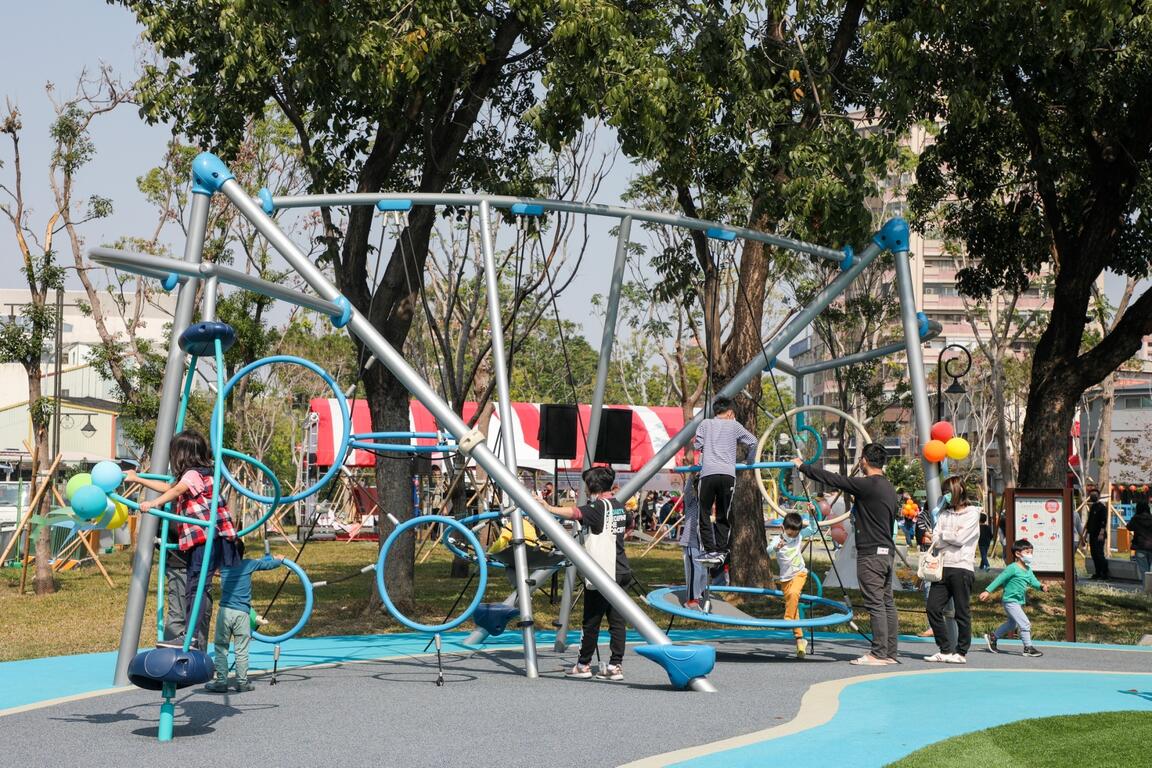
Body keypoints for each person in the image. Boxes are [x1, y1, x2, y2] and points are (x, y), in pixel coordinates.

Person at [126, 430, 239, 650]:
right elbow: (171, 487)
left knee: (196, 588)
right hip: (214, 538)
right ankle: (192, 635)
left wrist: (153, 503)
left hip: (206, 538)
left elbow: (176, 489)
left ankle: (192, 637)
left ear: (182, 454)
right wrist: (138, 479)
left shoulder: (192, 474)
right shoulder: (205, 473)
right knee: (196, 586)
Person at [793, 442, 899, 666]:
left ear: (864, 461)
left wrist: (803, 467)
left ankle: (878, 653)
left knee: (876, 603)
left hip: (871, 553)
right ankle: (889, 652)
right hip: (886, 552)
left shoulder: (868, 485)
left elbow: (834, 479)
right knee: (886, 602)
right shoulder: (889, 487)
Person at [536, 466, 631, 681]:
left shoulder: (597, 507)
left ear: (592, 486)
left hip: (602, 571)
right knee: (617, 621)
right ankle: (616, 665)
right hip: (621, 568)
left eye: (587, 485)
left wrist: (547, 507)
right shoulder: (619, 506)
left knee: (591, 621)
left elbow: (575, 513)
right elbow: (629, 525)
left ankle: (583, 664)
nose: (585, 489)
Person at [206, 542, 283, 692]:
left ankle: (221, 682)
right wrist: (279, 560)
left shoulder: (223, 566)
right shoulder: (248, 564)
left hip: (225, 612)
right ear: (242, 552)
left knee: (221, 647)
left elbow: (213, 569)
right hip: (242, 613)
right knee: (241, 649)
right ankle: (242, 682)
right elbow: (267, 565)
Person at [693, 396, 758, 566]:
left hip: (708, 474)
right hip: (727, 475)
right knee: (723, 513)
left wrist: (708, 447)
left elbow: (697, 445)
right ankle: (721, 551)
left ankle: (709, 550)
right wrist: (749, 462)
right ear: (730, 413)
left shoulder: (705, 424)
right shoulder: (734, 426)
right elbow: (753, 442)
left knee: (704, 513)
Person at [924, 477, 980, 664]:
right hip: (942, 567)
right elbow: (935, 540)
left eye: (949, 492)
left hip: (962, 567)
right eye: (944, 492)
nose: (946, 496)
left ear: (959, 490)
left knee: (961, 611)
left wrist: (944, 535)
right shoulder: (944, 514)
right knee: (932, 608)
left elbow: (960, 539)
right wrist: (948, 536)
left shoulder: (972, 513)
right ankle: (945, 649)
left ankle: (961, 652)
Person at [980, 538, 1048, 657]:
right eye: (1027, 552)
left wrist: (1041, 586)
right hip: (1010, 601)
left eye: (1031, 552)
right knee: (1025, 623)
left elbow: (1034, 582)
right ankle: (1028, 648)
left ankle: (993, 637)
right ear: (1017, 554)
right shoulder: (1013, 568)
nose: (1030, 555)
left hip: (1018, 601)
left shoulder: (1028, 570)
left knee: (1012, 624)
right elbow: (1000, 579)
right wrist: (987, 591)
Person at [768, 511, 816, 658]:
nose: (793, 536)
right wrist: (776, 548)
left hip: (799, 573)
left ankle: (787, 620)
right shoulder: (777, 540)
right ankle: (800, 640)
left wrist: (812, 515)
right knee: (794, 607)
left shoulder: (799, 536)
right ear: (783, 528)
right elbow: (768, 551)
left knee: (794, 594)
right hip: (785, 579)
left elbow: (813, 529)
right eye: (790, 534)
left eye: (795, 534)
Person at [676, 473, 710, 611]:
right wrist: (691, 476)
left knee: (703, 572)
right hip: (691, 541)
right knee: (694, 571)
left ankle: (698, 595)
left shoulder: (706, 502)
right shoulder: (691, 500)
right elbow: (687, 490)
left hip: (703, 542)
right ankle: (691, 600)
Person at [1085, 490, 1110, 579]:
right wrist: (1085, 534)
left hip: (1099, 534)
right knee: (1094, 554)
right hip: (1092, 534)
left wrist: (1101, 533)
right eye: (1091, 495)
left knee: (1099, 553)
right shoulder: (1092, 507)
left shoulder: (1102, 507)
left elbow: (1104, 521)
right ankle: (1097, 572)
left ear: (1098, 496)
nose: (1093, 497)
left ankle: (1104, 573)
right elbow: (1089, 522)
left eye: (1094, 495)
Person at [1125, 500, 1152, 582]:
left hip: (1140, 548)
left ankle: (1146, 587)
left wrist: (1135, 516)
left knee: (1144, 571)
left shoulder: (1135, 519)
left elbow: (1129, 527)